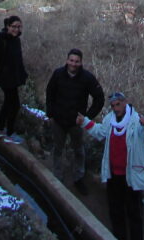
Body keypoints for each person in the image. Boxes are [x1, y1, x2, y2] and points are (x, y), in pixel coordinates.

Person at [78, 91, 144, 240]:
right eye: (113, 105)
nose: (116, 108)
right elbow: (100, 132)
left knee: (134, 211)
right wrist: (85, 122)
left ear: (125, 102)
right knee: (115, 210)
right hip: (114, 174)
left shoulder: (136, 120)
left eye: (118, 104)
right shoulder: (109, 120)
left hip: (131, 175)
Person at [45, 48, 105, 194]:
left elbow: (99, 98)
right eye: (71, 60)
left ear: (81, 62)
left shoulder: (87, 78)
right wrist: (50, 113)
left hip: (76, 122)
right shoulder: (58, 74)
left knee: (78, 150)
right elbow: (50, 92)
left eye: (77, 61)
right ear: (67, 60)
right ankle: (57, 176)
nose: (73, 63)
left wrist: (87, 118)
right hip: (58, 119)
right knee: (58, 148)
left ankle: (78, 178)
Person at [0, 15, 28, 143]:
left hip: (13, 77)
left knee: (8, 103)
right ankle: (9, 133)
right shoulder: (0, 38)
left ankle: (0, 129)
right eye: (14, 26)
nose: (16, 29)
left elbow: (17, 60)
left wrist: (22, 74)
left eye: (19, 27)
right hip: (5, 77)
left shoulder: (16, 40)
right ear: (8, 26)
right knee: (14, 105)